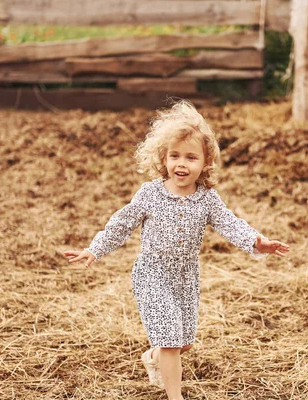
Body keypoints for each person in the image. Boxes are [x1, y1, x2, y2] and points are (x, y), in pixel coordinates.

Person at [63, 100, 289, 400]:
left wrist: (257, 241)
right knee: (171, 341)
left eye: (191, 157)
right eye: (175, 156)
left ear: (205, 162)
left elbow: (230, 224)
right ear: (164, 158)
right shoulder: (151, 194)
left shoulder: (207, 198)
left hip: (185, 278)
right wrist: (95, 249)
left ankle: (153, 357)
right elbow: (122, 223)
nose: (181, 164)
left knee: (182, 344)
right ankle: (175, 396)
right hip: (152, 275)